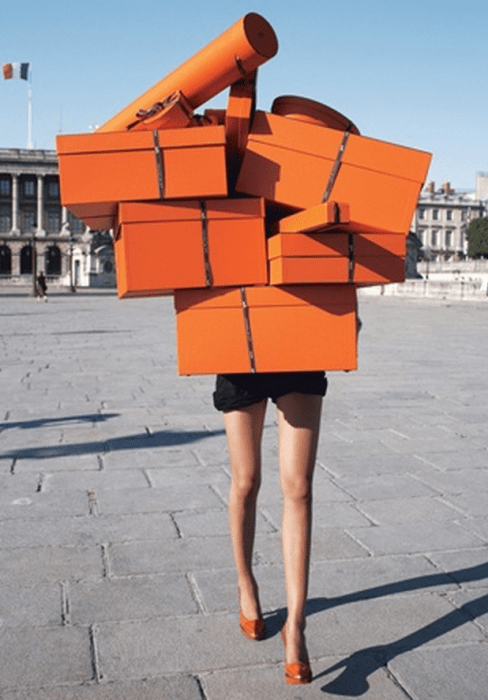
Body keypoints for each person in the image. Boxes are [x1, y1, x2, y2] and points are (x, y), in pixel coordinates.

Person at [213, 370, 327, 685]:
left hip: (299, 346)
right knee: (246, 482)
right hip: (240, 348)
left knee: (299, 488)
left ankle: (296, 626)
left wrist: (349, 321)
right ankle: (246, 583)